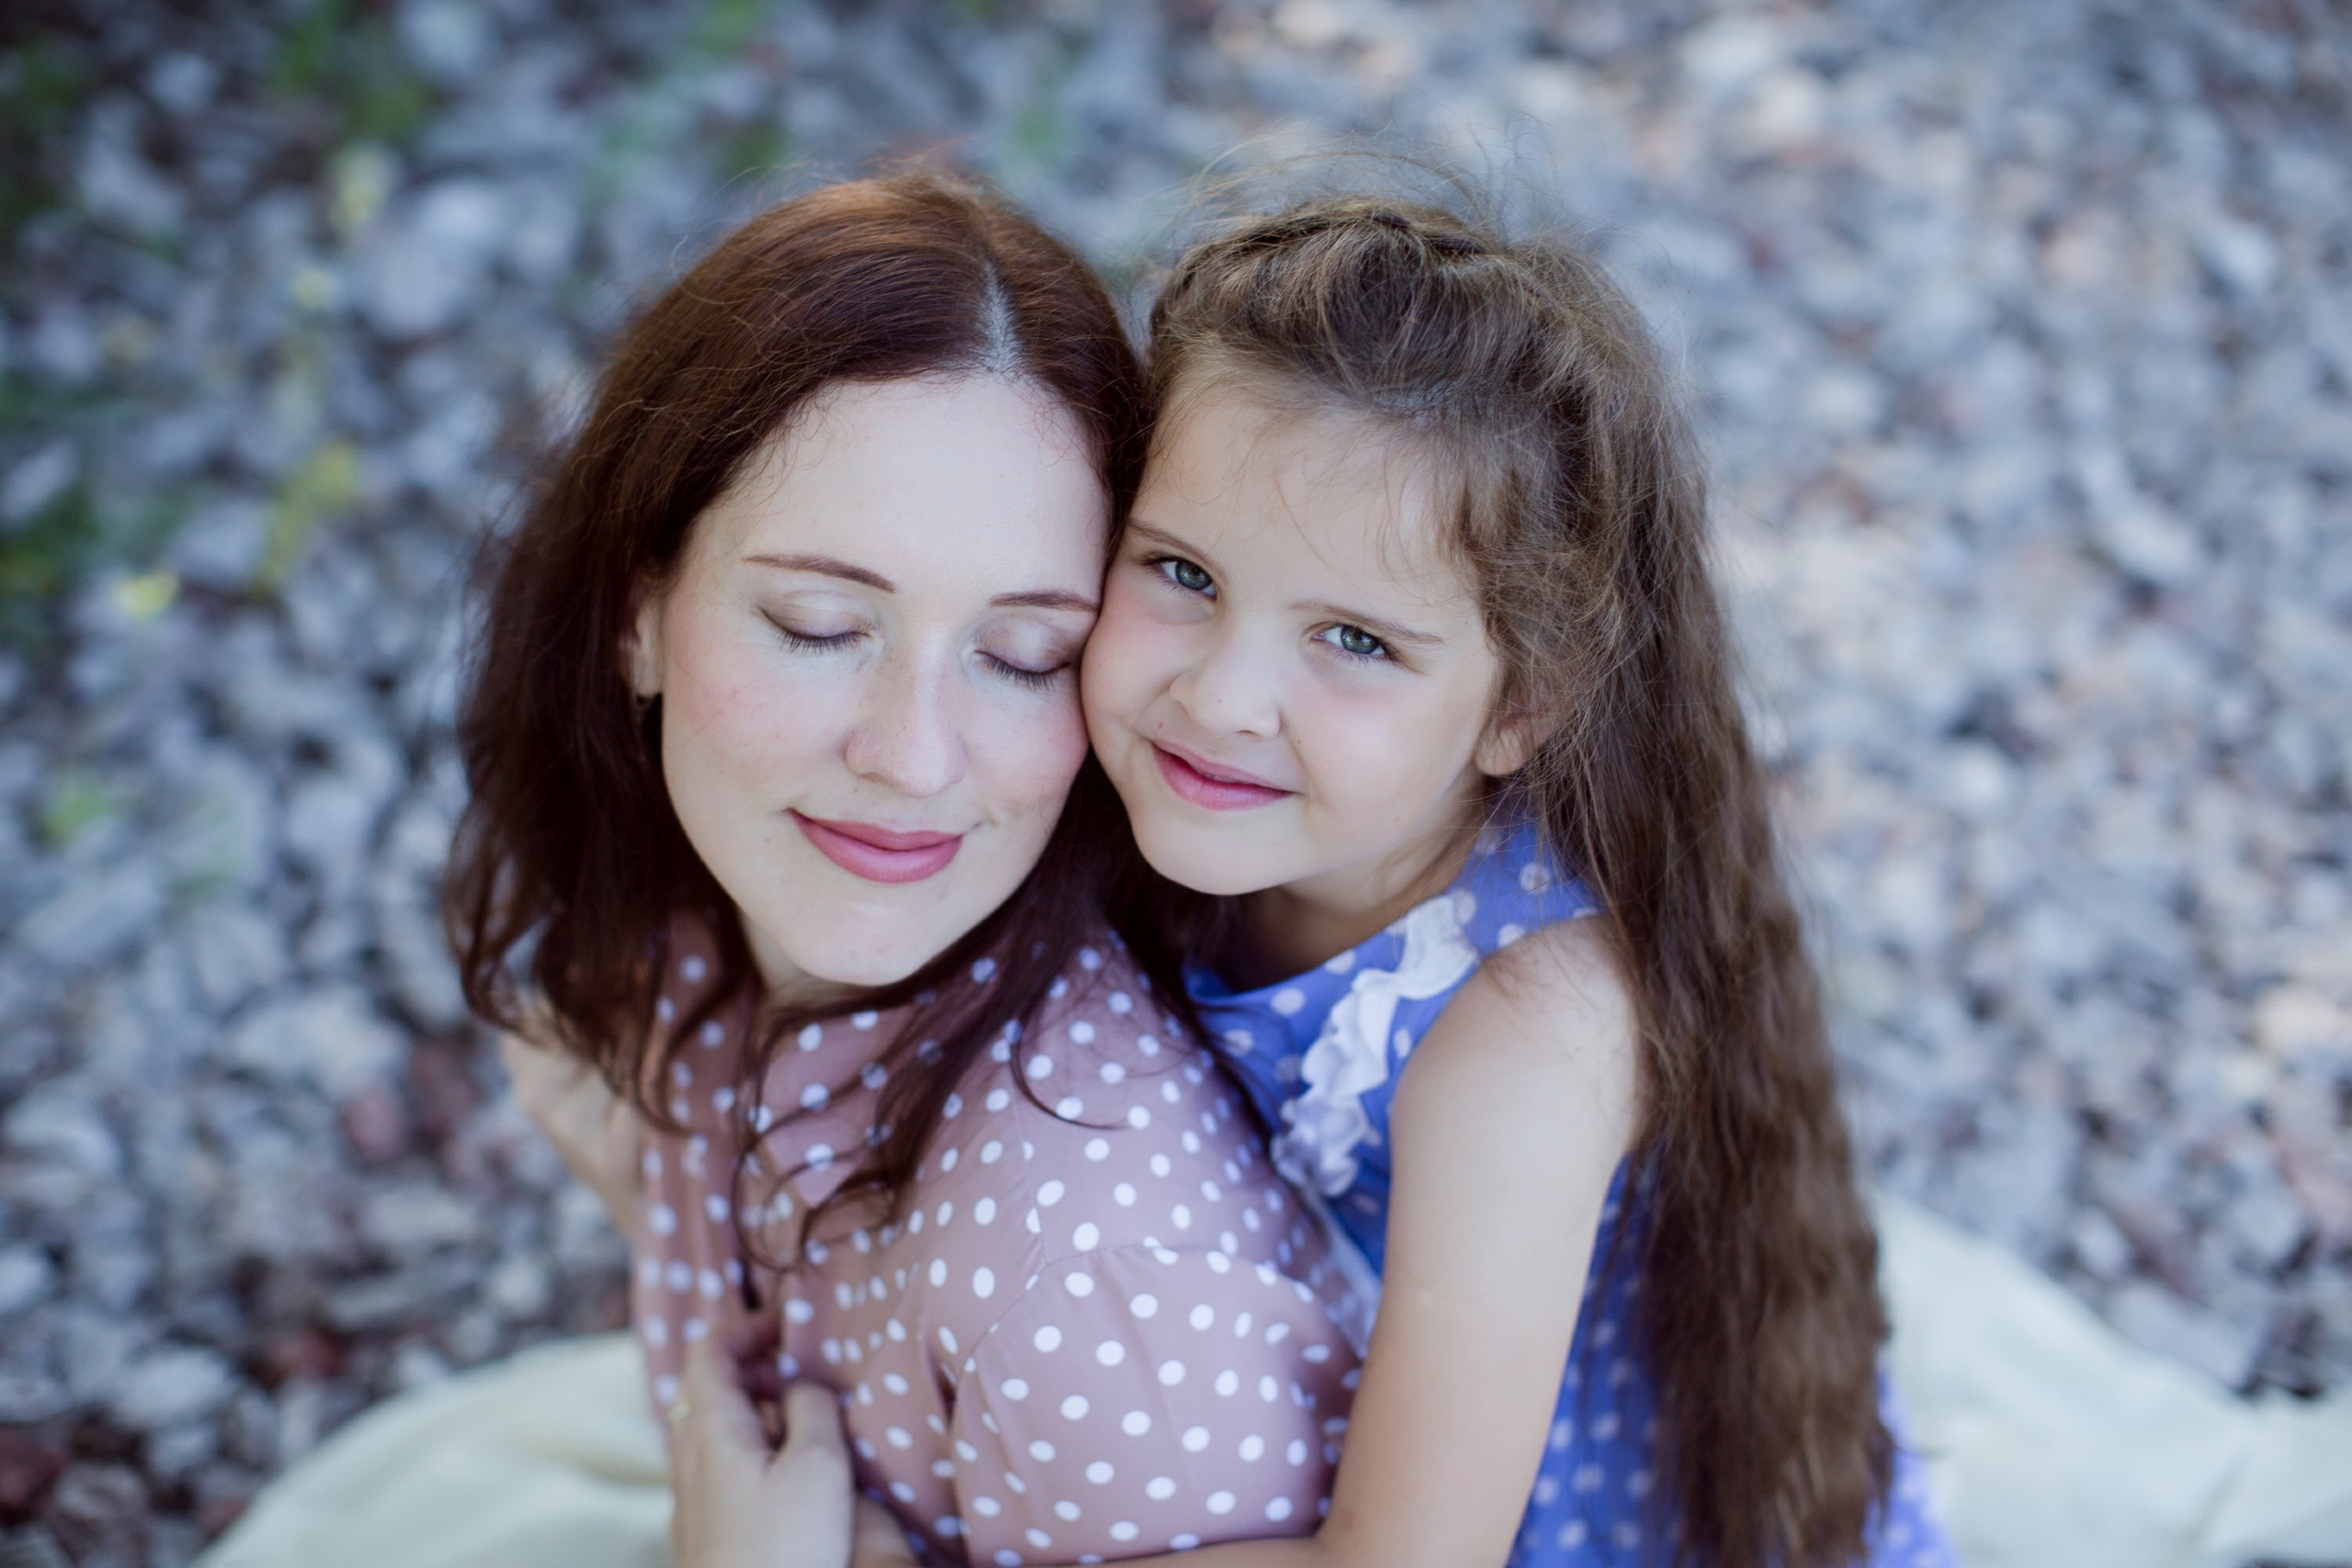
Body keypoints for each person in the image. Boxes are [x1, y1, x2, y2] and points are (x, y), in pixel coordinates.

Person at [201, 173, 1363, 1568]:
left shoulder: (1079, 1285)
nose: (917, 757)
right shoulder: (687, 932)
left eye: (1023, 655)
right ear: (638, 614)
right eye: (821, 625)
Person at [1069, 194, 1955, 1567]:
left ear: (1523, 706)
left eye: (1356, 640)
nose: (1222, 694)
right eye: (1181, 569)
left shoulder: (1525, 1040)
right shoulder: (1206, 804)